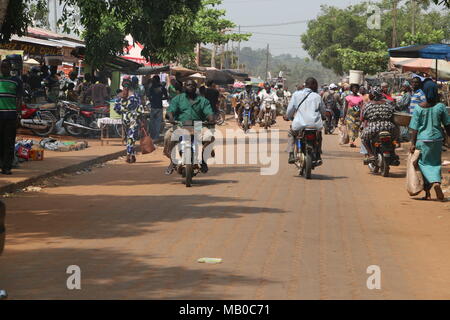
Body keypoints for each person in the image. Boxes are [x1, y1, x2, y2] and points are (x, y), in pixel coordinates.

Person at [164, 80, 215, 175]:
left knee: (210, 137)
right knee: (168, 136)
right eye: (188, 85)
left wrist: (211, 119)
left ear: (196, 88)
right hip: (180, 124)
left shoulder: (203, 101)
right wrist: (171, 118)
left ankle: (203, 160)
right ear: (184, 87)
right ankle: (172, 161)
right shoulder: (178, 99)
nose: (190, 87)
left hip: (198, 125)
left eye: (192, 85)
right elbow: (170, 110)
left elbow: (209, 112)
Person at [409, 88, 450, 201]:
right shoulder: (440, 107)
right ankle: (431, 190)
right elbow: (447, 124)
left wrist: (412, 143)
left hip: (422, 140)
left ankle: (434, 184)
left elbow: (414, 128)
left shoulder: (418, 108)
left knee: (423, 165)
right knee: (435, 163)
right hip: (437, 140)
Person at [284, 77, 325, 164]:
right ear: (313, 85)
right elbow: (323, 111)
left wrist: (288, 116)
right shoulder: (317, 97)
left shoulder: (296, 95)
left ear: (305, 85)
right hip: (314, 125)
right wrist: (324, 117)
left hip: (299, 125)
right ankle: (318, 155)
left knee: (291, 133)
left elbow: (290, 111)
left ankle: (291, 154)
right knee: (318, 136)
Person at [360, 87, 398, 163]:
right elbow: (393, 115)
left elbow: (363, 118)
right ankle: (393, 153)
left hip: (373, 128)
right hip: (389, 127)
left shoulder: (368, 105)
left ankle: (371, 155)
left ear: (372, 95)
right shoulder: (388, 104)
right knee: (394, 139)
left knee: (363, 138)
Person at [114, 78, 144, 164]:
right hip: (134, 120)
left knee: (129, 138)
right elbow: (140, 109)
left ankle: (128, 155)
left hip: (126, 120)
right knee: (131, 138)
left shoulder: (120, 96)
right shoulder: (136, 96)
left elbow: (116, 109)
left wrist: (123, 110)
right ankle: (132, 155)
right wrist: (141, 120)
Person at [0, 60, 22, 175]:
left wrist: (18, 115)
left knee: (9, 142)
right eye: (1, 67)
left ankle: (6, 167)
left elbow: (19, 99)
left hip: (10, 116)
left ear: (10, 68)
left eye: (5, 67)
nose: (3, 69)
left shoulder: (16, 81)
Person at [147, 75, 168, 141]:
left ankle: (153, 136)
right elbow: (166, 96)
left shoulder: (151, 87)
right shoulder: (162, 87)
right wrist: (160, 98)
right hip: (159, 106)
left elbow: (149, 96)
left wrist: (153, 99)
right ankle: (155, 137)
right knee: (157, 123)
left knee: (152, 123)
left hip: (154, 107)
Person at [343, 83, 364, 148]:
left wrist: (362, 116)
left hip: (357, 117)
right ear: (351, 89)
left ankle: (352, 139)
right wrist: (343, 117)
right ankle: (351, 142)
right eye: (354, 88)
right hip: (350, 116)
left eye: (356, 88)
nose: (355, 89)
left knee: (356, 129)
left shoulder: (360, 98)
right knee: (351, 128)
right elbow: (345, 107)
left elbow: (361, 108)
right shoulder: (347, 97)